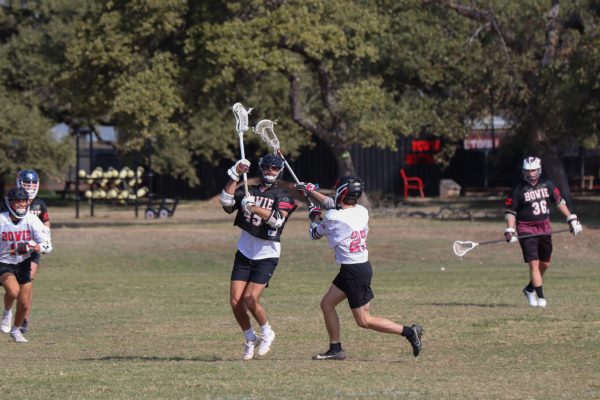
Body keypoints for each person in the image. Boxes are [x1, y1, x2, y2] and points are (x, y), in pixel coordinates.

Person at [298, 176, 423, 360]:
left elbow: (314, 233)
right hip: (357, 267)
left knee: (364, 320)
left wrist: (314, 213)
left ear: (342, 192)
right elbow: (332, 205)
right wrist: (310, 191)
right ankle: (335, 349)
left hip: (353, 272)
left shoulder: (334, 217)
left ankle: (409, 332)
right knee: (327, 304)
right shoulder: (361, 211)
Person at [218, 154, 296, 360]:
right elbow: (225, 203)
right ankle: (250, 337)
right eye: (267, 167)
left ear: (280, 171)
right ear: (261, 169)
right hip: (245, 250)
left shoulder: (283, 195)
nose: (270, 171)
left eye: (274, 168)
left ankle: (267, 332)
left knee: (250, 298)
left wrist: (253, 207)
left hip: (267, 254)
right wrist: (235, 175)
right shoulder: (248, 189)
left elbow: (278, 220)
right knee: (235, 300)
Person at [504, 157, 582, 308]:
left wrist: (570, 219)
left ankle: (529, 289)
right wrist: (510, 229)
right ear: (523, 171)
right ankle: (541, 298)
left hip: (544, 227)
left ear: (539, 170)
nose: (531, 173)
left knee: (545, 263)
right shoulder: (518, 189)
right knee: (534, 264)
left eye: (533, 170)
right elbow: (510, 212)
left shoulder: (547, 184)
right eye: (527, 170)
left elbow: (559, 202)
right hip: (526, 228)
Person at [0, 187, 52, 342]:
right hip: (3, 262)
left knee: (24, 304)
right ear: (10, 202)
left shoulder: (32, 219)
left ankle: (16, 331)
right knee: (13, 291)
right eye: (17, 201)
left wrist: (36, 247)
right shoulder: (1, 220)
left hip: (23, 262)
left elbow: (48, 245)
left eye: (23, 201)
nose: (21, 204)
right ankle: (7, 313)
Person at [16, 169, 50, 333]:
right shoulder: (11, 200)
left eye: (33, 183)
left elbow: (46, 222)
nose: (30, 187)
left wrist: (46, 240)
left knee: (27, 281)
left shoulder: (39, 203)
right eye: (26, 183)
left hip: (33, 249)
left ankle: (24, 320)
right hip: (13, 249)